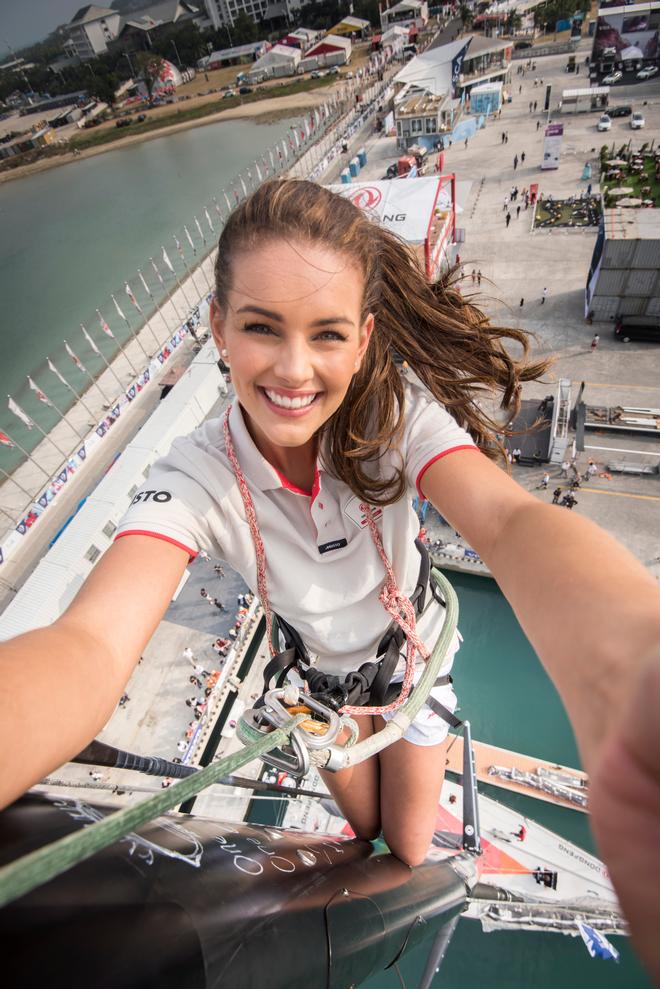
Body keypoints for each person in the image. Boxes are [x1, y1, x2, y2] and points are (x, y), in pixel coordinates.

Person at [2, 181, 660, 980]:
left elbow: (508, 521)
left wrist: (631, 659)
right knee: (362, 837)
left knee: (408, 844)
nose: (292, 368)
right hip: (319, 695)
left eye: (326, 335)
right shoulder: (195, 477)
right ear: (217, 327)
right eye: (260, 328)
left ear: (364, 339)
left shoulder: (396, 416)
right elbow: (91, 644)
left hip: (408, 671)